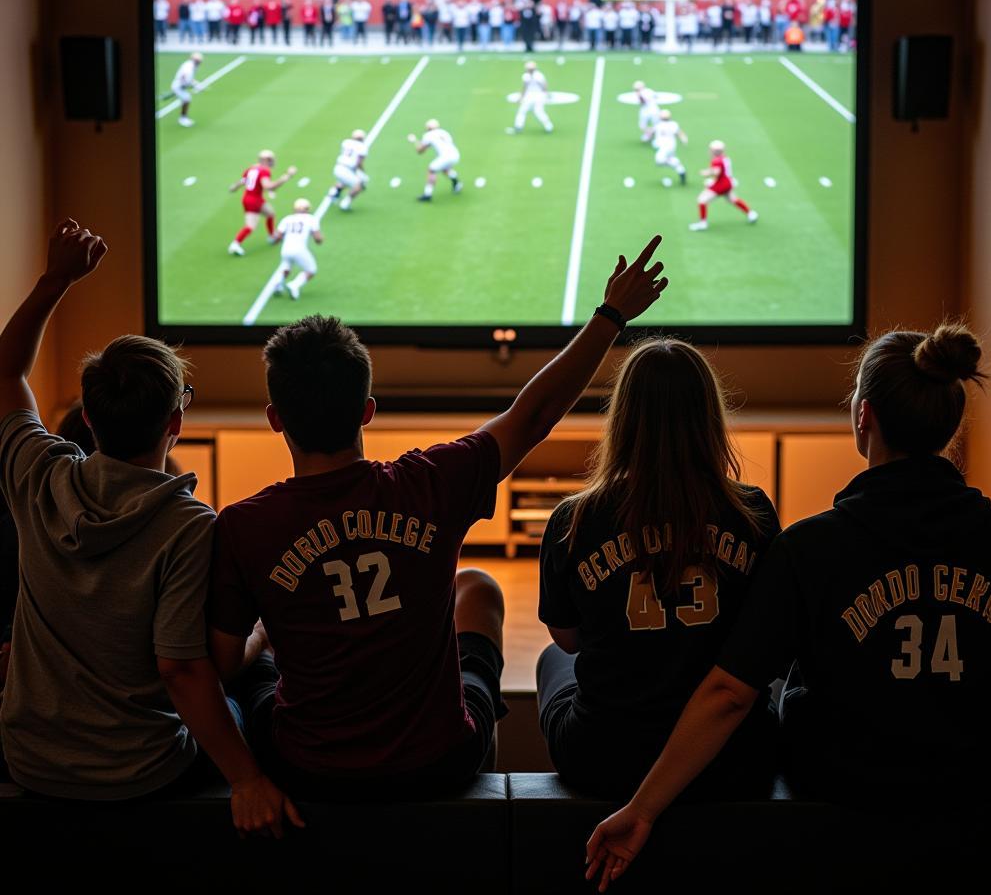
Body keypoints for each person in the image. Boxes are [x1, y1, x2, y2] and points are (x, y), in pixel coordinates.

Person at [206, 238, 669, 798]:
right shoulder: (430, 482)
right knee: (478, 590)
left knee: (250, 673)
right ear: (368, 411)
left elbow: (221, 662)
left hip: (309, 768)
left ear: (275, 419)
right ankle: (479, 802)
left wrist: (264, 633)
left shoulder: (242, 524)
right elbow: (535, 415)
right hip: (438, 761)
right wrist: (610, 315)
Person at [585, 322, 991, 891]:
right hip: (980, 777)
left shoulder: (812, 548)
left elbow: (729, 693)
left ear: (863, 416)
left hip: (846, 779)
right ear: (950, 423)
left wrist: (642, 809)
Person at [0, 220, 298, 835]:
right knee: (253, 668)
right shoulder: (189, 525)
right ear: (175, 425)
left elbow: (5, 374)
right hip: (141, 770)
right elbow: (182, 669)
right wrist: (247, 778)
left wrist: (55, 278)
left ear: (87, 416)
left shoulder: (38, 474)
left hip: (29, 759)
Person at [537, 338, 780, 800]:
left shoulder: (575, 519)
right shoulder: (754, 512)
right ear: (709, 417)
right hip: (732, 757)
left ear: (624, 419)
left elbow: (568, 638)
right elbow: (765, 641)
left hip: (603, 757)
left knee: (553, 660)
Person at [227, 150, 297, 255]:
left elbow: (243, 180)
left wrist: (235, 187)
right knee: (250, 226)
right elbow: (268, 186)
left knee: (270, 213)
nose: (272, 161)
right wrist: (286, 176)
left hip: (251, 198)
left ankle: (272, 235)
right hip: (253, 200)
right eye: (270, 159)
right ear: (265, 160)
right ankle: (235, 244)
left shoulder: (252, 168)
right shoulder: (264, 171)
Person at [690, 141, 758, 231]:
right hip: (728, 182)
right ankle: (751, 213)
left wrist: (706, 173)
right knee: (732, 199)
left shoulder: (716, 161)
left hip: (721, 184)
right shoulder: (724, 158)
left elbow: (716, 172)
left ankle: (703, 223)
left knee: (702, 200)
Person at [271, 198, 323, 301]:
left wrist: (277, 241)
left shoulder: (287, 219)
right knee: (311, 270)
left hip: (285, 249)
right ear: (307, 209)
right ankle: (294, 285)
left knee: (286, 267)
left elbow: (277, 237)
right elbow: (318, 238)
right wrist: (320, 240)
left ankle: (278, 284)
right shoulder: (311, 219)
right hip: (299, 249)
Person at [409, 118, 461, 202]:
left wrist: (414, 141)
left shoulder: (428, 135)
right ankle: (457, 183)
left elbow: (420, 150)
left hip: (445, 157)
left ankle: (427, 194)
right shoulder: (444, 132)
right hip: (455, 154)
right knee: (445, 169)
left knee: (431, 170)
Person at [329, 128, 370, 212]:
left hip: (338, 167)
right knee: (360, 185)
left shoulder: (346, 142)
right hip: (347, 169)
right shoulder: (362, 147)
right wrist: (363, 173)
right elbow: (359, 163)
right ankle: (345, 203)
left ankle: (333, 192)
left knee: (346, 181)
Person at [514, 61, 553, 134]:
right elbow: (544, 86)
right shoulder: (537, 75)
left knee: (524, 111)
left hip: (533, 96)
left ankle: (518, 126)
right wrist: (547, 94)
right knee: (537, 111)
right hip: (536, 96)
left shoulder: (530, 76)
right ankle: (549, 126)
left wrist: (521, 97)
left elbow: (525, 88)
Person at [651, 109, 687, 185]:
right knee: (670, 158)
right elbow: (679, 133)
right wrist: (683, 139)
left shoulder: (658, 124)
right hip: (671, 146)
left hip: (664, 147)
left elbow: (651, 133)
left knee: (659, 160)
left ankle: (676, 163)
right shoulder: (673, 124)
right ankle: (681, 170)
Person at [171, 51, 203, 127]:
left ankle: (183, 118)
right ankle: (183, 119)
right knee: (187, 99)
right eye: (198, 60)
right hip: (178, 86)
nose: (199, 62)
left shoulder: (192, 65)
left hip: (181, 86)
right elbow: (186, 79)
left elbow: (189, 79)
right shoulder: (189, 67)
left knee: (186, 99)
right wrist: (195, 86)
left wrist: (196, 84)